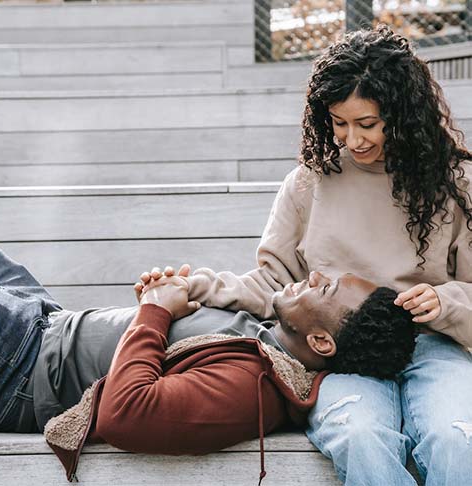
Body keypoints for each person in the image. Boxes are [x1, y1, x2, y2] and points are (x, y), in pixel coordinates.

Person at [141, 25, 472, 485]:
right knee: (358, 435)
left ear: (402, 113)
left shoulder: (455, 183)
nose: (352, 140)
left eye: (368, 124)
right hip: (339, 355)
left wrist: (445, 302)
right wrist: (191, 285)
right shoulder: (308, 183)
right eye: (339, 122)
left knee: (457, 438)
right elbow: (274, 285)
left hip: (432, 345)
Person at [0, 204, 415, 483]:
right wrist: (161, 301)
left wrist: (154, 314)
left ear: (322, 341)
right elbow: (161, 341)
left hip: (15, 369)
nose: (318, 274)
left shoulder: (251, 389)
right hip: (46, 317)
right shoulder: (268, 331)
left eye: (326, 287)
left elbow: (126, 413)